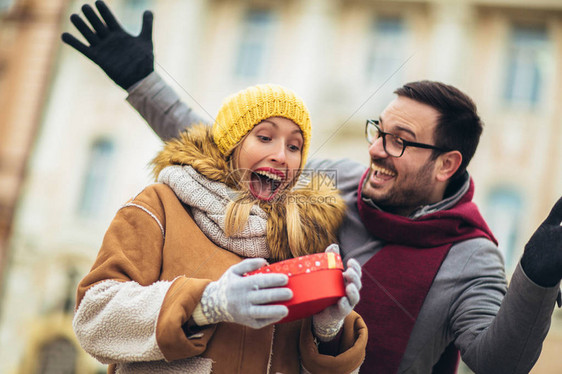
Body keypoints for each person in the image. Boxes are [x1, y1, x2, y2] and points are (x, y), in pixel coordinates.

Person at [62, 1, 562, 373]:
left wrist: (537, 278)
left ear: (446, 164)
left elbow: (499, 363)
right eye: (378, 131)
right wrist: (144, 82)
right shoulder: (335, 185)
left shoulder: (472, 258)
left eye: (400, 142)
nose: (376, 150)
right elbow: (229, 156)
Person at [72, 81, 367, 374]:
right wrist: (207, 304)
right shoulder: (160, 205)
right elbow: (94, 318)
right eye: (265, 138)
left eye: (294, 146)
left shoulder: (301, 239)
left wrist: (327, 331)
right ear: (232, 144)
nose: (281, 155)